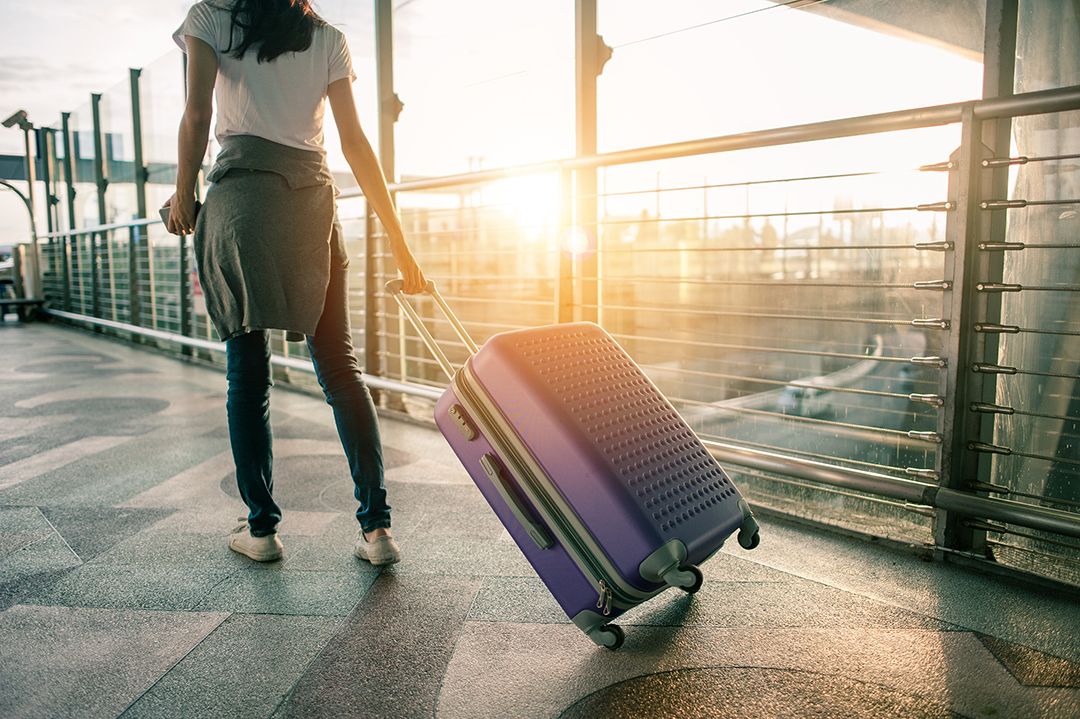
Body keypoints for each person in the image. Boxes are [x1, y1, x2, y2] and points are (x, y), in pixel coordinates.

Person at [166, 0, 425, 565]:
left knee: (248, 374)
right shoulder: (327, 37)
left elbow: (196, 116)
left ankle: (261, 529)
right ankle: (377, 531)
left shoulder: (211, 17)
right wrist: (398, 241)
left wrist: (184, 188)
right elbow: (355, 143)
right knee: (340, 369)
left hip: (241, 204)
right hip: (310, 206)